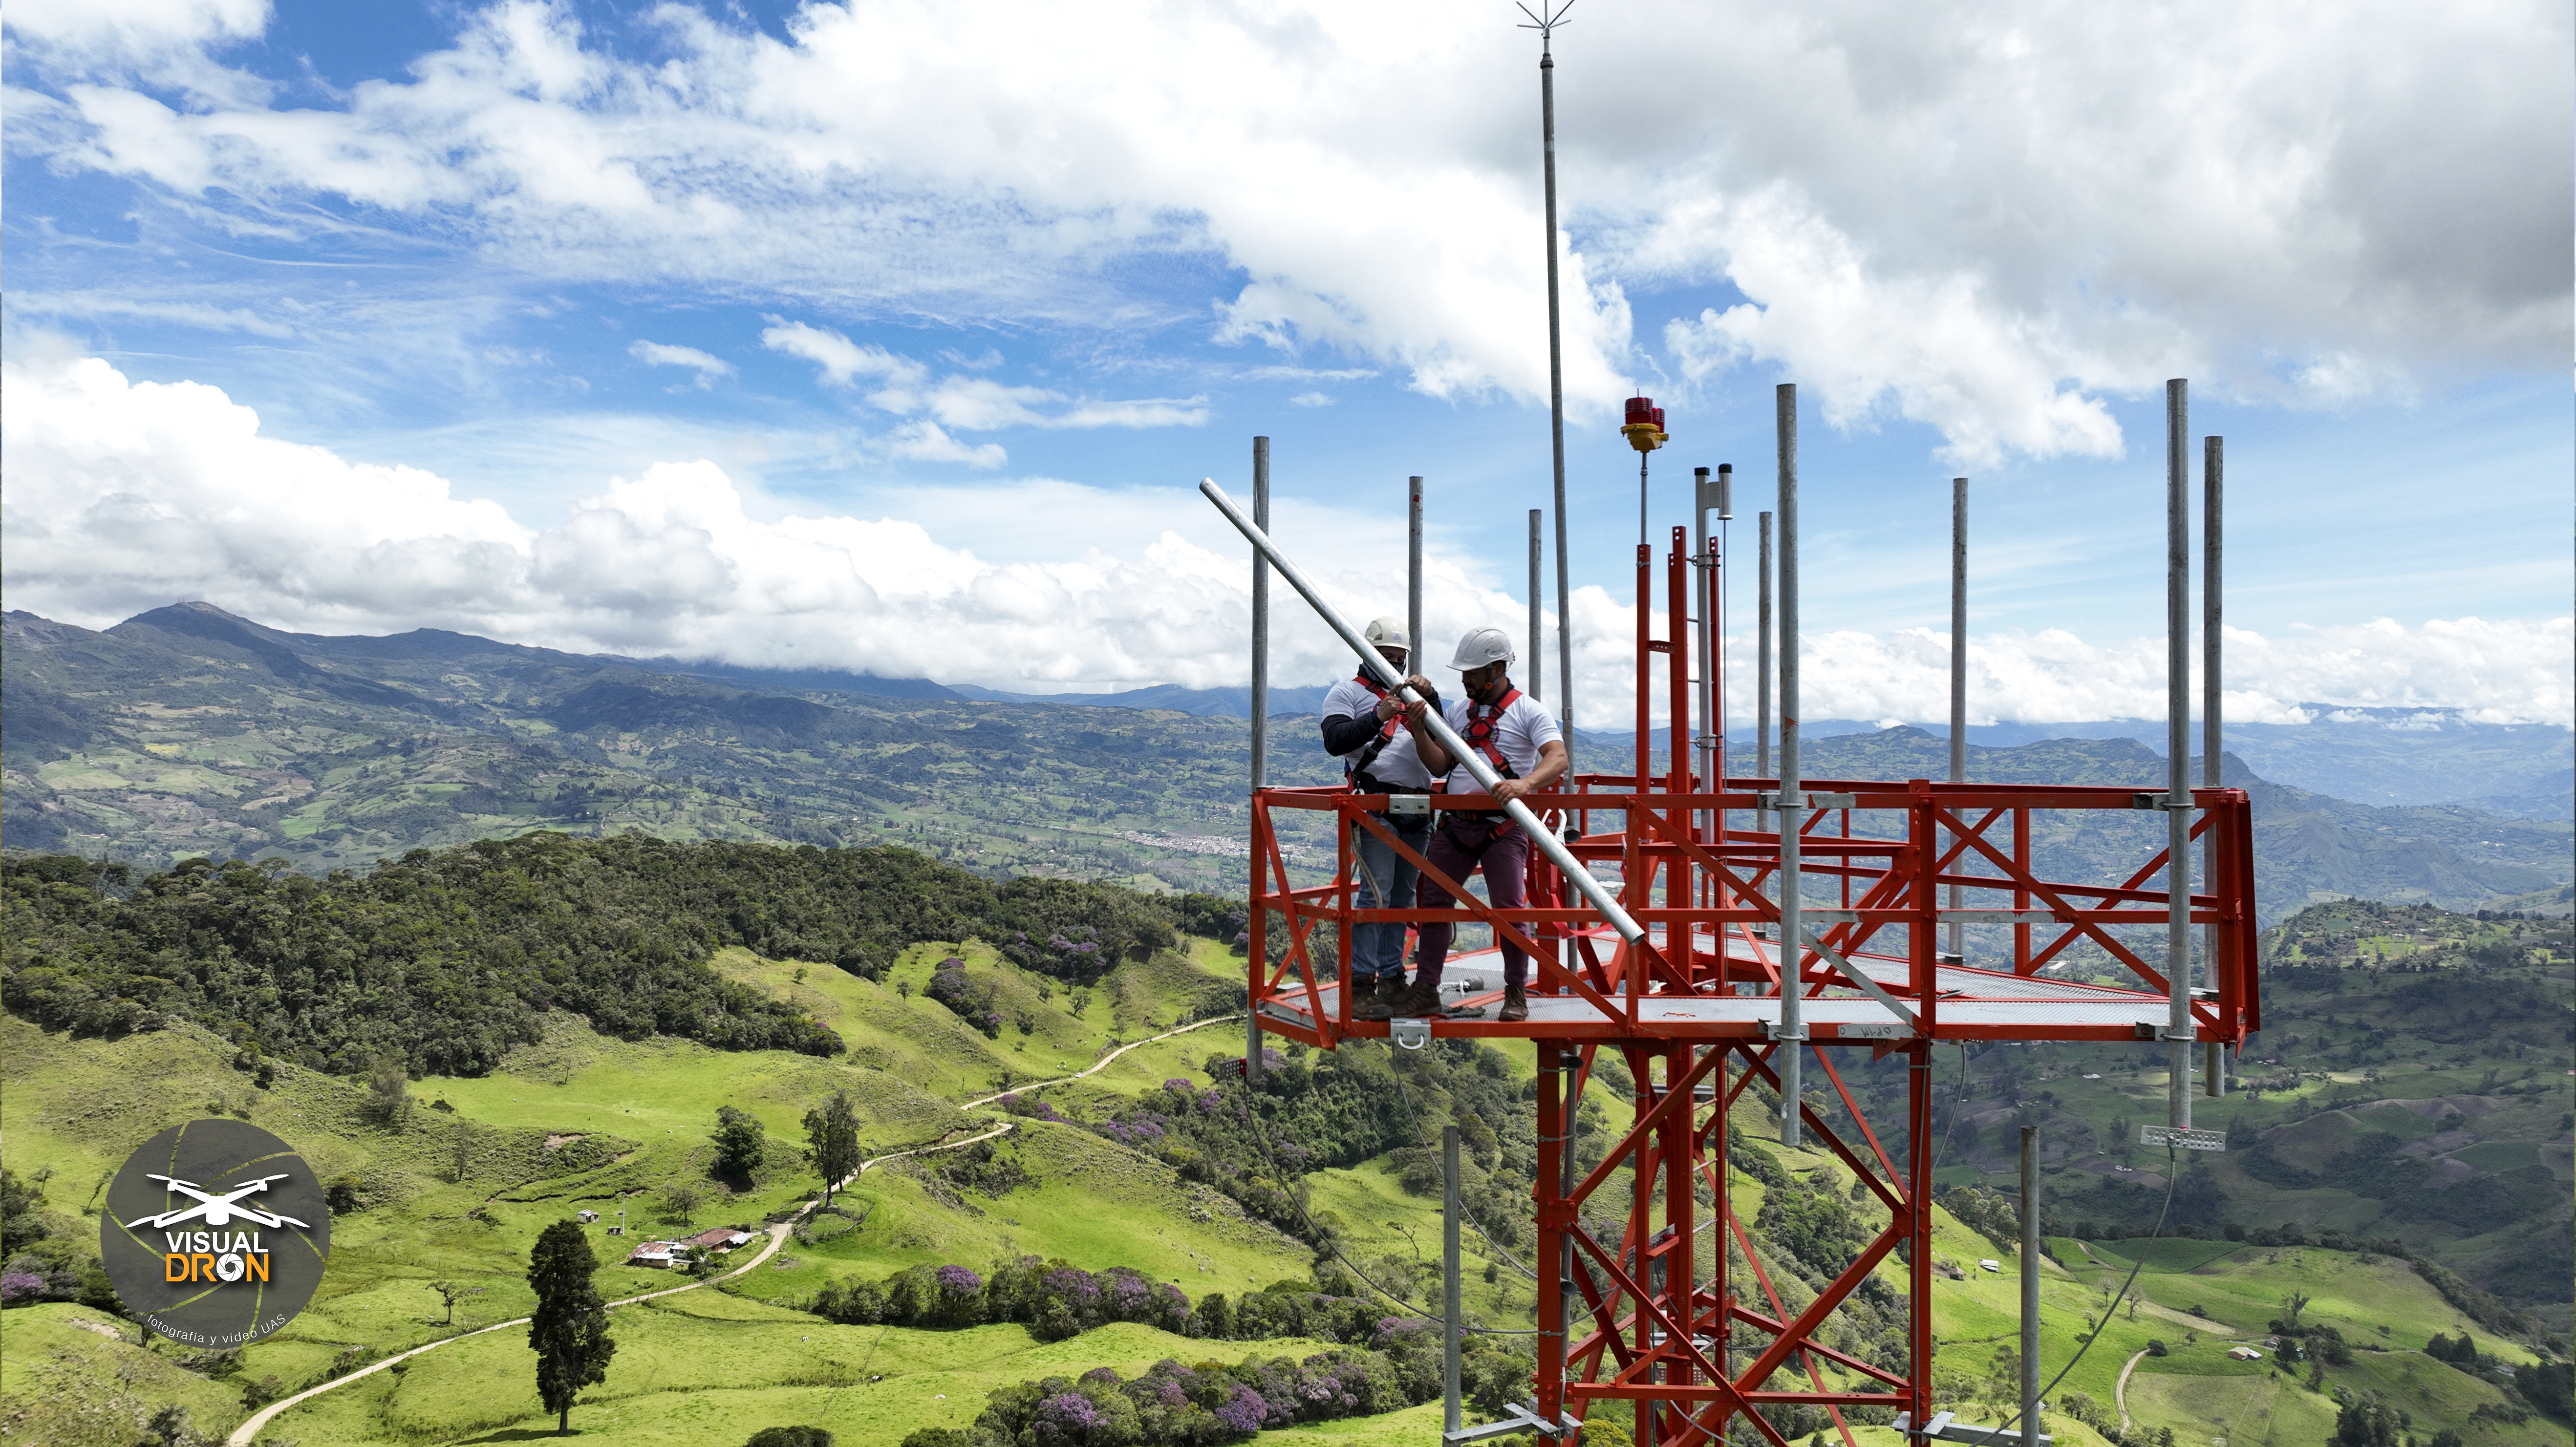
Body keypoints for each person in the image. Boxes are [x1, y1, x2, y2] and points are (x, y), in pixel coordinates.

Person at [1406, 626, 1567, 1022]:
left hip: (1503, 828)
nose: (1465, 680)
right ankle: (1426, 989)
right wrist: (1419, 731)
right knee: (1434, 902)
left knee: (1510, 908)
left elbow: (1558, 757)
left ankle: (1516, 993)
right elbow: (1442, 764)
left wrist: (1525, 784)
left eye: (1472, 672)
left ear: (1495, 669)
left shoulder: (1529, 711)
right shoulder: (1460, 712)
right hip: (1457, 824)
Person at [1318, 617, 1442, 1023]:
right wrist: (1378, 715)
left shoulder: (1412, 698)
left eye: (1398, 659)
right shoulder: (1347, 692)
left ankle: (1391, 977)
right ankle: (1361, 984)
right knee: (1376, 897)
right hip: (1375, 807)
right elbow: (1336, 742)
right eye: (1386, 657)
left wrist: (1431, 697)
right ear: (1367, 656)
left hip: (1418, 809)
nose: (1393, 665)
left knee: (1401, 899)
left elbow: (1443, 742)